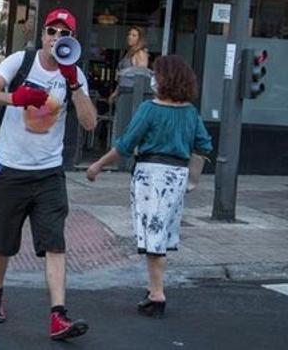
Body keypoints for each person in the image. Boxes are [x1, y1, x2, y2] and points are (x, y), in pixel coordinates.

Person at [0, 7, 97, 341]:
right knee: (3, 242)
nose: (57, 39)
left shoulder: (75, 74)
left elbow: (89, 122)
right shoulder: (20, 61)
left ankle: (58, 316)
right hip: (10, 168)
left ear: (72, 39)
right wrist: (15, 97)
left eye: (64, 34)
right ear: (42, 35)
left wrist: (74, 87)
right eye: (51, 32)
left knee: (55, 242)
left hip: (48, 173)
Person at [86, 55, 212, 318]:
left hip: (151, 174)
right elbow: (204, 145)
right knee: (162, 235)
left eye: (156, 73)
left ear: (165, 79)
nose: (153, 78)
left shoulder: (149, 109)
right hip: (177, 176)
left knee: (152, 236)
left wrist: (97, 165)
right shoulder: (190, 112)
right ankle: (152, 287)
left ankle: (157, 294)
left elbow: (125, 144)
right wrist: (190, 171)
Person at [109, 26, 149, 104]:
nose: (130, 37)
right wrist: (116, 92)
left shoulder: (140, 53)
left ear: (140, 39)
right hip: (123, 89)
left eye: (134, 35)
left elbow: (141, 76)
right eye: (129, 34)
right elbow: (122, 77)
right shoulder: (129, 53)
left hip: (131, 91)